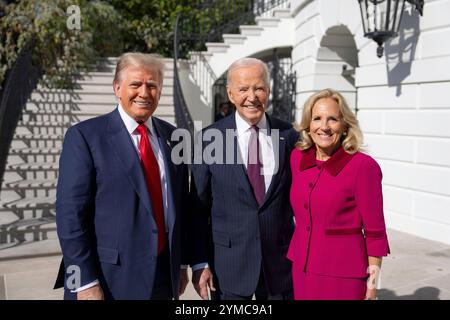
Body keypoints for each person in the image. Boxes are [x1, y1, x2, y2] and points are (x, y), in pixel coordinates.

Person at [54, 52, 190, 300]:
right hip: (107, 280)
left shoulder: (174, 138)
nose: (144, 93)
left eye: (152, 85)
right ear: (117, 88)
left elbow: (179, 206)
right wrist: (84, 281)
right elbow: (70, 216)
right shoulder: (85, 137)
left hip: (162, 278)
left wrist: (180, 265)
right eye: (136, 84)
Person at [190, 57, 298, 300]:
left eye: (259, 88)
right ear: (230, 94)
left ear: (268, 91)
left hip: (280, 268)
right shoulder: (209, 139)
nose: (252, 96)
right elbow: (197, 209)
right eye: (243, 89)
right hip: (228, 268)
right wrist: (199, 263)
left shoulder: (290, 136)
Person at [288, 88, 390, 300]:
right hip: (302, 270)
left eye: (332, 119)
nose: (324, 127)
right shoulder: (297, 158)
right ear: (308, 124)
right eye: (317, 118)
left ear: (344, 126)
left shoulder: (363, 167)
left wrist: (372, 287)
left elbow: (375, 232)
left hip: (344, 276)